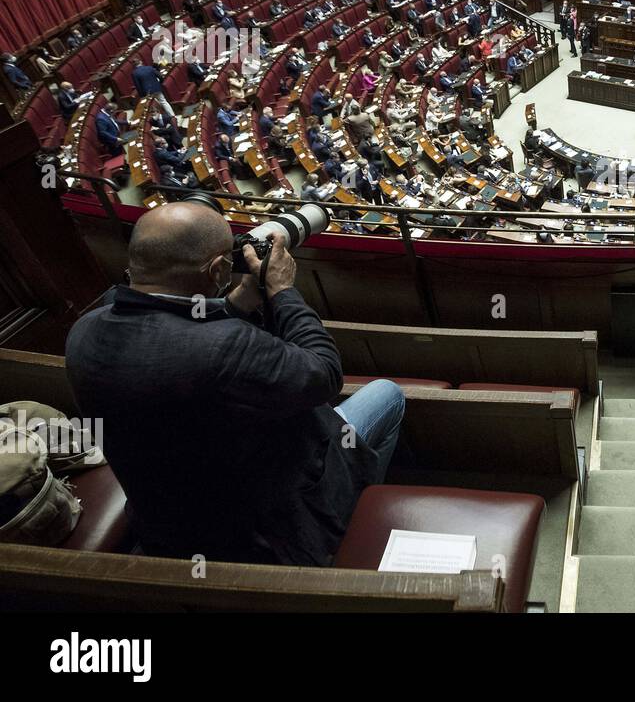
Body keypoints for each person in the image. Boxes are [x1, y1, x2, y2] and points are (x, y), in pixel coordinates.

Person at [65, 202, 403, 566]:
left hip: (170, 518)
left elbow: (179, 342)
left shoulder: (85, 330)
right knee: (388, 395)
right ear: (218, 269)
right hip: (268, 525)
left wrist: (238, 302)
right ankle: (353, 516)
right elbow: (325, 375)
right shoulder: (225, 349)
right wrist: (283, 291)